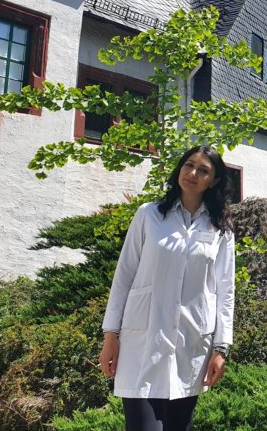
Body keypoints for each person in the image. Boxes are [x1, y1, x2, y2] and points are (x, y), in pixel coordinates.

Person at [98, 146, 235, 431]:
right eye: (188, 165)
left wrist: (221, 349)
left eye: (203, 170)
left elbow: (225, 291)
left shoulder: (220, 229)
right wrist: (110, 335)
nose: (193, 173)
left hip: (191, 343)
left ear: (215, 180)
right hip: (142, 344)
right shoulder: (149, 215)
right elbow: (124, 276)